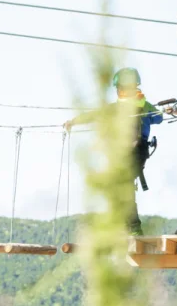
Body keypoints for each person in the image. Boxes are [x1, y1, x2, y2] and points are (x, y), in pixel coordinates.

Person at [64, 67, 163, 235]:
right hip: (138, 152)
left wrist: (74, 122)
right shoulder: (145, 105)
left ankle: (132, 227)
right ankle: (127, 226)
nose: (118, 91)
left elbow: (94, 115)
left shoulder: (116, 108)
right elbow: (159, 118)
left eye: (119, 88)